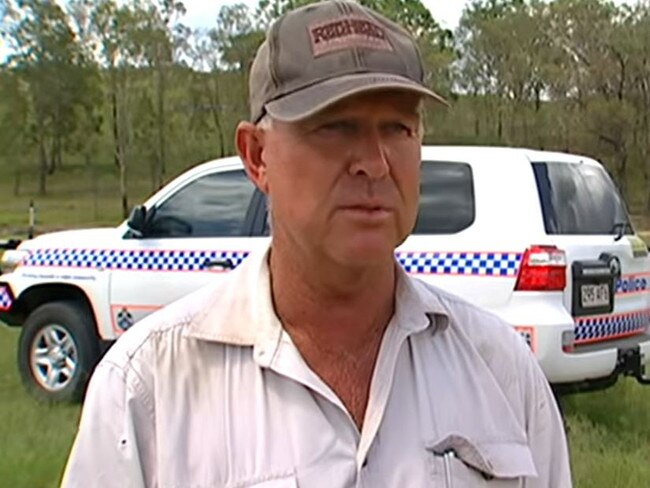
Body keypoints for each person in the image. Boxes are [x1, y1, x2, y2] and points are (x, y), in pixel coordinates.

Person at [61, 1, 572, 486]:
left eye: (397, 127)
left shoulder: (500, 370)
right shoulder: (148, 389)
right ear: (257, 156)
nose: (373, 163)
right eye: (334, 128)